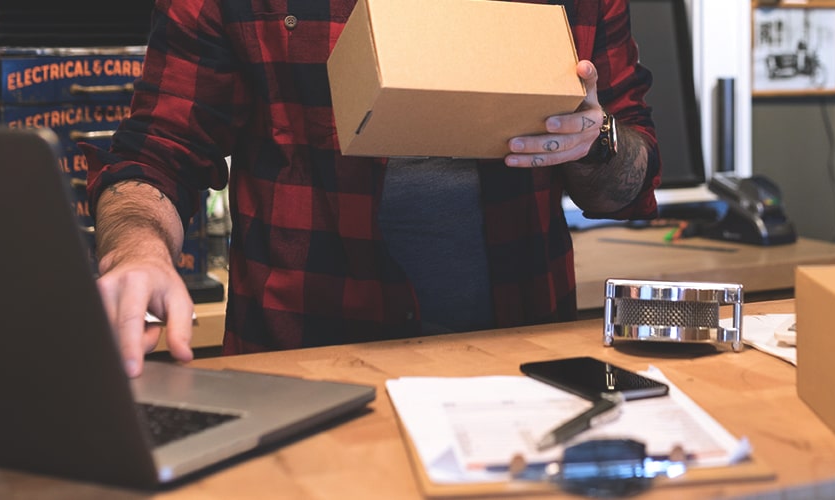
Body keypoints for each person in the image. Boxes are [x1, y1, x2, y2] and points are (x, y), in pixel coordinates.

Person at [83, 0, 662, 377]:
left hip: (523, 366)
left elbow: (622, 186)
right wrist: (139, 251)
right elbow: (157, 152)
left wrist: (597, 138)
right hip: (306, 368)